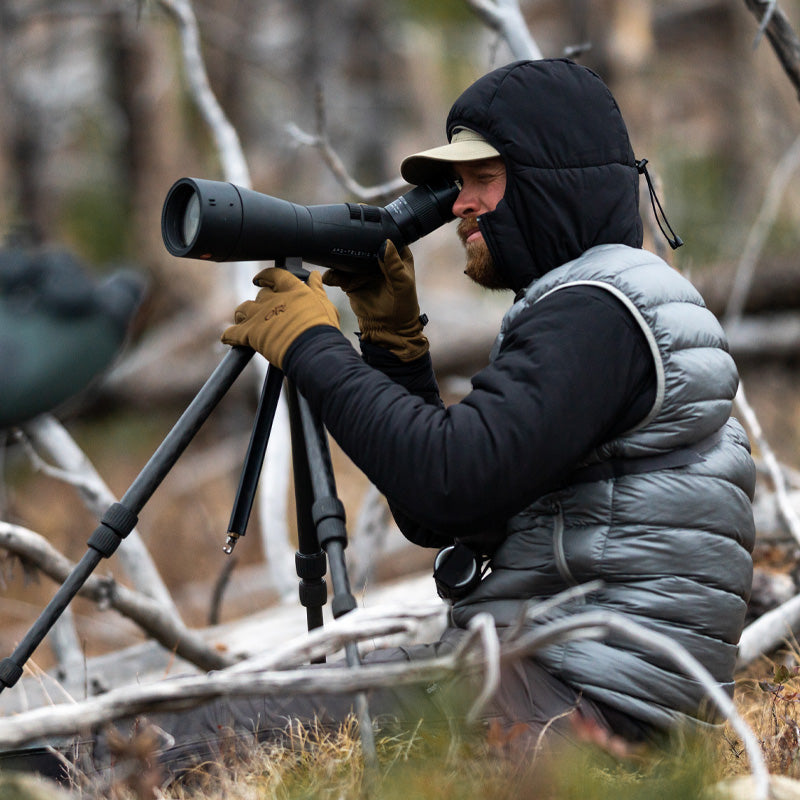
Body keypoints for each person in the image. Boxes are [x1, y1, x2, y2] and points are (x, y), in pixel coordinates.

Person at [146, 57, 756, 774]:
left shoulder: (598, 310)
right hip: (584, 690)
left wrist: (310, 344)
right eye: (456, 187)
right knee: (238, 713)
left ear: (548, 182)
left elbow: (449, 481)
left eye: (481, 180)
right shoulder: (612, 303)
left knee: (183, 733)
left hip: (578, 704)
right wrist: (394, 345)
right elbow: (447, 515)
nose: (459, 204)